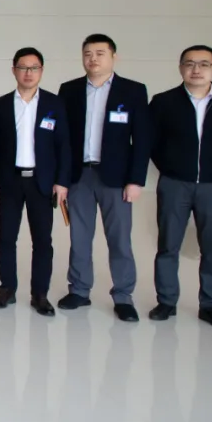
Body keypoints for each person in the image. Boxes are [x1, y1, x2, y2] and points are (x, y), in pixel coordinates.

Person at [149, 45, 212, 332]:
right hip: (174, 184)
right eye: (190, 63)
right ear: (180, 67)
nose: (196, 69)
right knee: (168, 245)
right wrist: (171, 167)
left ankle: (210, 305)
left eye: (204, 64)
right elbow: (153, 142)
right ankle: (166, 301)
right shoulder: (163, 102)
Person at [57, 34, 150, 323]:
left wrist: (136, 180)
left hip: (117, 178)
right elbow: (62, 140)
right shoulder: (69, 90)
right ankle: (79, 290)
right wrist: (62, 179)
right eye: (87, 53)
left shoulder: (133, 91)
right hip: (79, 176)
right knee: (79, 237)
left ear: (113, 57)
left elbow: (142, 139)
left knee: (119, 238)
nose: (93, 59)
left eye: (100, 53)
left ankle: (123, 295)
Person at [0, 47, 70, 317]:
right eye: (23, 67)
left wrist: (62, 182)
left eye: (34, 68)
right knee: (6, 238)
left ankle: (40, 294)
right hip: (9, 181)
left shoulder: (54, 104)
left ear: (41, 71)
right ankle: (7, 288)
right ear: (13, 70)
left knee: (43, 241)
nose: (28, 73)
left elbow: (64, 145)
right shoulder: (0, 105)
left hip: (42, 182)